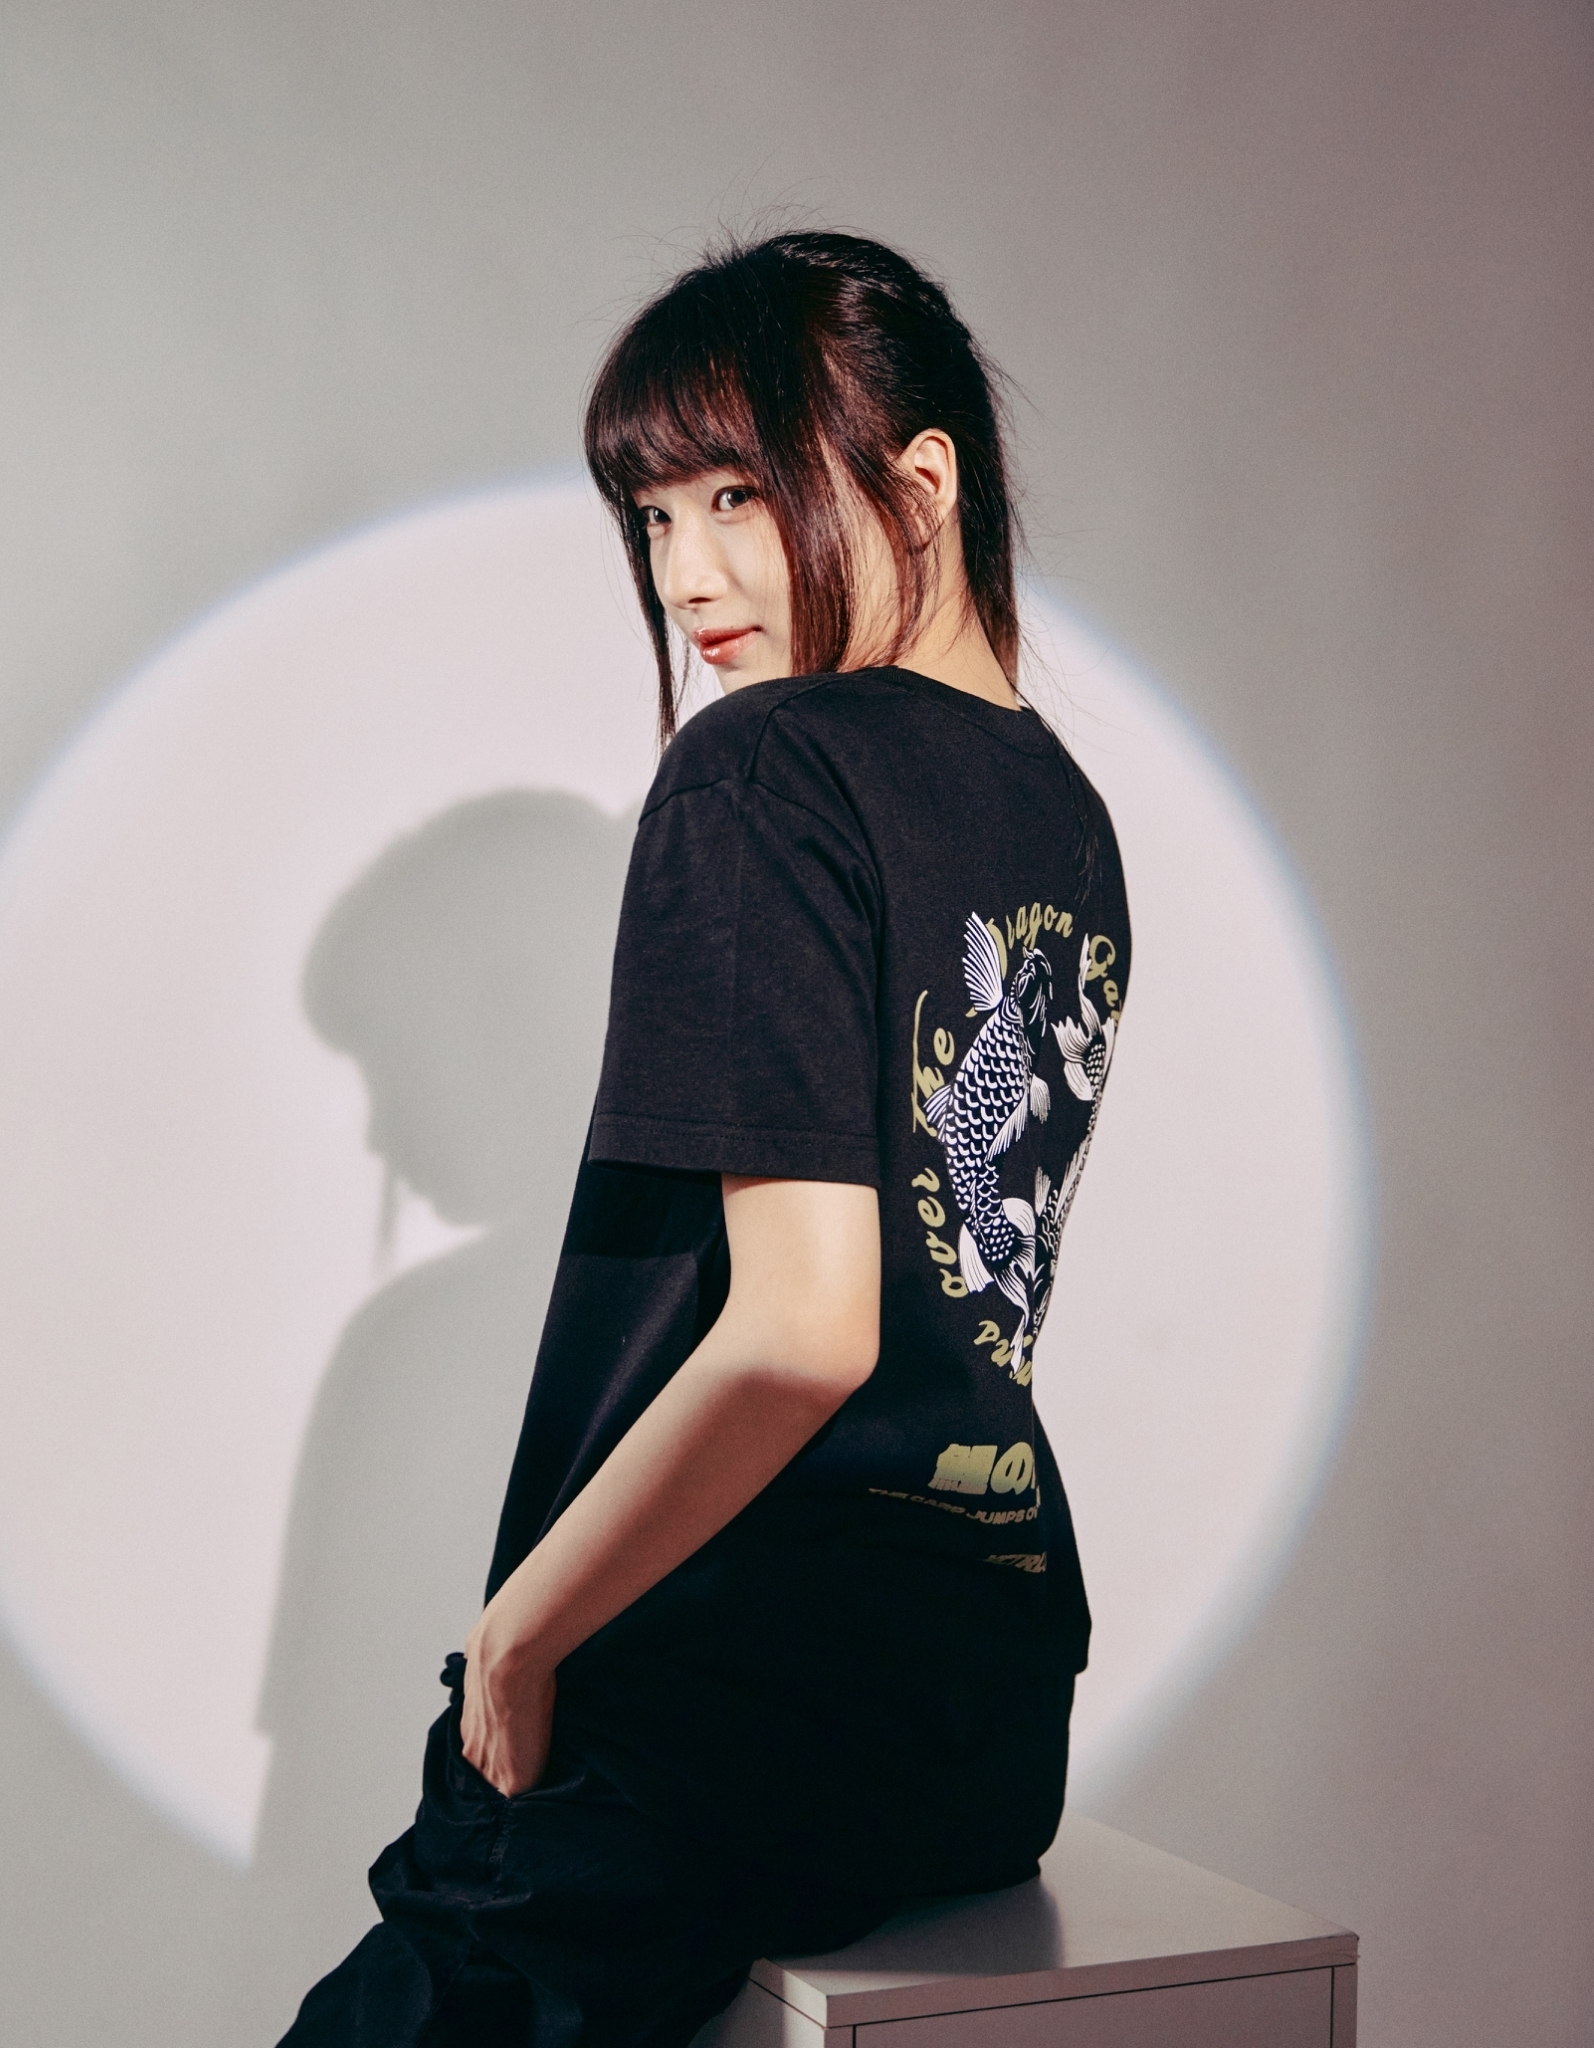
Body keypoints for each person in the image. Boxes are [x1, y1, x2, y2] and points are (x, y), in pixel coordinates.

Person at [279, 229, 1130, 2048]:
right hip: (987, 1711)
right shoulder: (1060, 808)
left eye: (736, 495)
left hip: (722, 1700)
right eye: (651, 515)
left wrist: (519, 1638)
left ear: (920, 484)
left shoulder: (760, 767)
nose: (685, 576)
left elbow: (806, 1329)